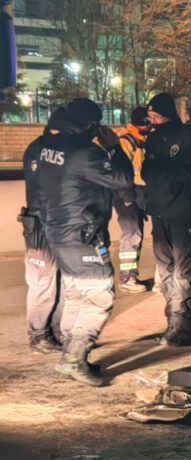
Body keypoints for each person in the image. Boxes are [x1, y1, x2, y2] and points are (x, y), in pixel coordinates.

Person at [41, 98, 133, 385]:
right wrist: (115, 148)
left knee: (75, 292)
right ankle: (73, 359)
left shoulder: (49, 147)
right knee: (98, 294)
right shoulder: (87, 152)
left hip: (56, 230)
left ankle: (71, 348)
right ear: (93, 125)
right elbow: (122, 181)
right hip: (83, 234)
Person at [143, 92, 191, 347]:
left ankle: (186, 326)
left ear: (168, 114)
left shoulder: (189, 137)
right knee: (165, 271)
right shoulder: (152, 138)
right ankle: (173, 322)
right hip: (159, 211)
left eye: (157, 116)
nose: (153, 120)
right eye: (150, 116)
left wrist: (174, 172)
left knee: (183, 272)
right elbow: (147, 170)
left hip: (183, 210)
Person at [21, 107, 67, 354]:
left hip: (54, 223)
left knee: (59, 282)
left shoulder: (41, 146)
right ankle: (39, 335)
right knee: (43, 282)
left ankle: (56, 333)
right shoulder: (43, 150)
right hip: (42, 224)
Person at [114, 106, 150, 294]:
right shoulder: (126, 141)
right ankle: (126, 278)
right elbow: (121, 172)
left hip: (137, 194)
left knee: (136, 236)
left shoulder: (140, 139)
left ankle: (131, 275)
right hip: (127, 196)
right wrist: (127, 197)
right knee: (131, 235)